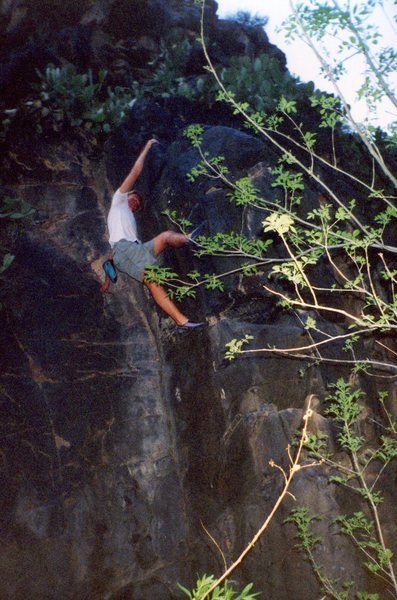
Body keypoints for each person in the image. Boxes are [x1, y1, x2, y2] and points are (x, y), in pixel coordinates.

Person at [101, 138, 205, 331]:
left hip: (136, 248)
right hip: (125, 250)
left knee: (165, 236)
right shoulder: (118, 201)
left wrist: (107, 280)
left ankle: (191, 239)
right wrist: (147, 146)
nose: (135, 202)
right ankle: (182, 321)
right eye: (134, 198)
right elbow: (136, 171)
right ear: (127, 194)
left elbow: (110, 255)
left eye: (138, 204)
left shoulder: (128, 222)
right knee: (152, 281)